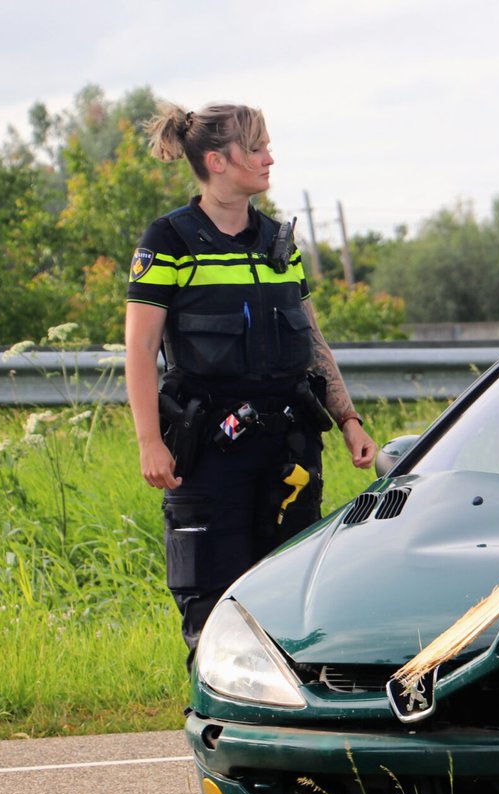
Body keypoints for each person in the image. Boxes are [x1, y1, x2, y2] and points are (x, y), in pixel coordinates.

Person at [124, 102, 377, 660]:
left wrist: (349, 421)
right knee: (213, 606)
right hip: (210, 452)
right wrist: (149, 442)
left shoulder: (278, 242)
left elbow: (312, 340)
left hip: (288, 446)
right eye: (257, 148)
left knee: (290, 603)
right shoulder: (169, 239)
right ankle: (217, 729)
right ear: (217, 160)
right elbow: (140, 348)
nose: (269, 158)